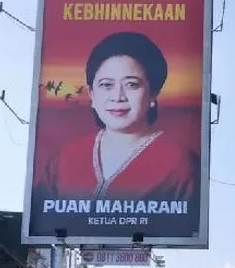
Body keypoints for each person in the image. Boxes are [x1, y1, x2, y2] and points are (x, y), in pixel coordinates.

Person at [35, 31, 198, 203]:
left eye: (131, 85)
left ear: (153, 93)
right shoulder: (65, 159)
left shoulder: (182, 165)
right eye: (106, 85)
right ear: (92, 94)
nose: (118, 96)